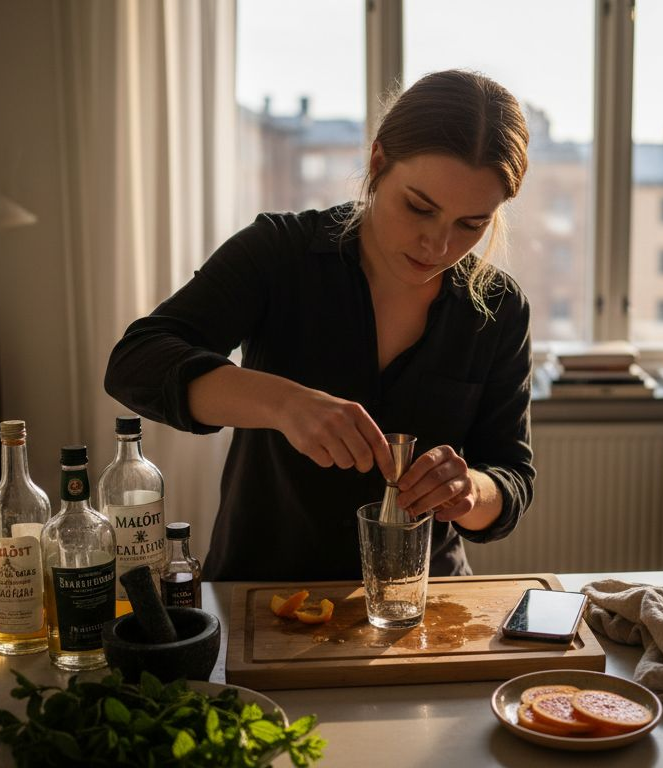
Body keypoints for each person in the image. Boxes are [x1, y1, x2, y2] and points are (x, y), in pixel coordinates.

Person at [105, 69, 534, 582]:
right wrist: (282, 403)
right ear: (377, 163)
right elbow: (135, 362)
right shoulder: (278, 252)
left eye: (472, 224)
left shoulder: (501, 308)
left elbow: (511, 476)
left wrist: (470, 492)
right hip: (262, 594)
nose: (437, 246)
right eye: (419, 207)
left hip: (423, 602)